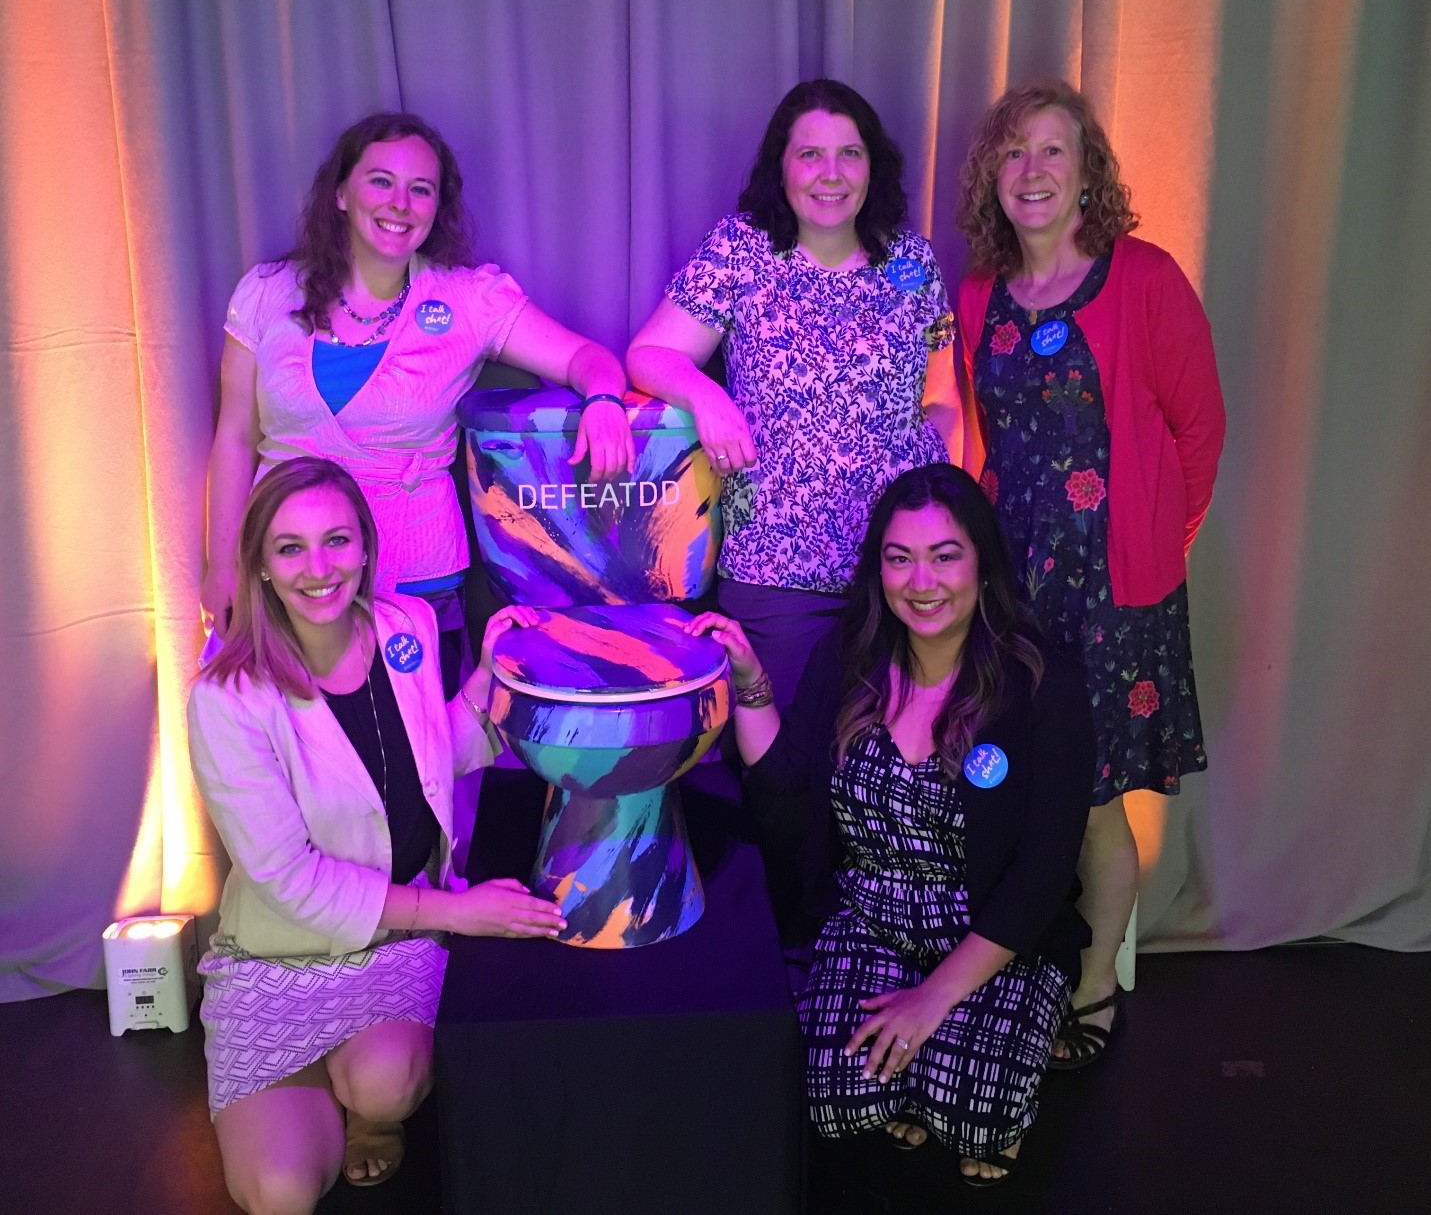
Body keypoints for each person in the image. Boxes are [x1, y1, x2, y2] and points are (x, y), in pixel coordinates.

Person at [690, 464, 1093, 1188]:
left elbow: (1043, 871)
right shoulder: (848, 661)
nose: (921, 581)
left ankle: (960, 1073)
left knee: (976, 1113)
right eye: (899, 557)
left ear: (982, 563)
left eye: (945, 555)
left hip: (991, 933)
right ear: (877, 568)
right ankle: (918, 1078)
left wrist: (932, 996)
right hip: (870, 920)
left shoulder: (1042, 684)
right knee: (832, 1101)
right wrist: (749, 679)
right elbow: (784, 804)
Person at [188, 457, 564, 1212]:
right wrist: (460, 911)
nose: (319, 568)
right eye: (290, 547)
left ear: (366, 546)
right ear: (258, 563)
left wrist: (494, 676)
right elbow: (290, 878)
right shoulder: (226, 696)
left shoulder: (407, 628)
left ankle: (365, 1111)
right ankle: (310, 1090)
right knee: (280, 1192)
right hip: (275, 960)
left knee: (386, 1084)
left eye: (337, 540)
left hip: (391, 943)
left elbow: (435, 756)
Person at [954, 79, 1226, 1067]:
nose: (1032, 171)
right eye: (1014, 153)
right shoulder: (979, 295)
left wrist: (1158, 539)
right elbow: (979, 441)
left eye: (1053, 152)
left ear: (1087, 176)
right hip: (1012, 588)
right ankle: (1019, 966)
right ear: (994, 174)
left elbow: (1200, 430)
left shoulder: (1144, 279)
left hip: (1115, 595)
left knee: (1094, 799)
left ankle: (1097, 984)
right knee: (1016, 788)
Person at [201, 111, 635, 697]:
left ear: (436, 209)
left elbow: (589, 359)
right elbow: (233, 437)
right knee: (288, 760)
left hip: (413, 577)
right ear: (340, 193)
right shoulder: (267, 291)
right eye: (381, 181)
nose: (400, 203)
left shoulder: (469, 298)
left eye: (420, 189)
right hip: (286, 572)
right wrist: (221, 565)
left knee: (414, 765)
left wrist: (606, 400)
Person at [626, 79, 958, 711]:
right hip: (777, 573)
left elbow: (941, 397)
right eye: (810, 154)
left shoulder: (911, 261)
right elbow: (650, 354)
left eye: (849, 154)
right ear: (781, 167)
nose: (830, 174)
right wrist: (708, 396)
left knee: (887, 763)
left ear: (872, 166)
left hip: (898, 574)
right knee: (782, 774)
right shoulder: (743, 249)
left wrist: (941, 519)